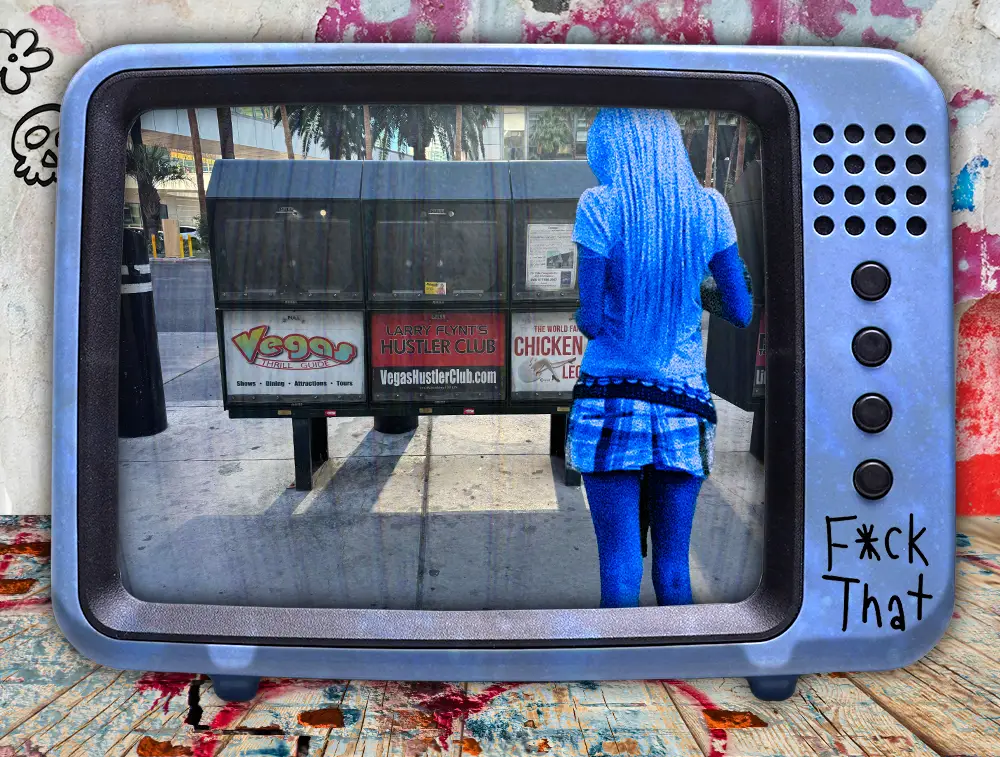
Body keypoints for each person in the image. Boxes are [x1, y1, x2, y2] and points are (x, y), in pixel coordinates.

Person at [567, 108, 754, 609]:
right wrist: (692, 290)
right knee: (673, 568)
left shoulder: (599, 205)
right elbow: (740, 309)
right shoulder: (709, 207)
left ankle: (616, 652)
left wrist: (587, 309)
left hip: (609, 399)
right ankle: (677, 651)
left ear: (613, 148)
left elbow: (591, 320)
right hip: (684, 405)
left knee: (620, 565)